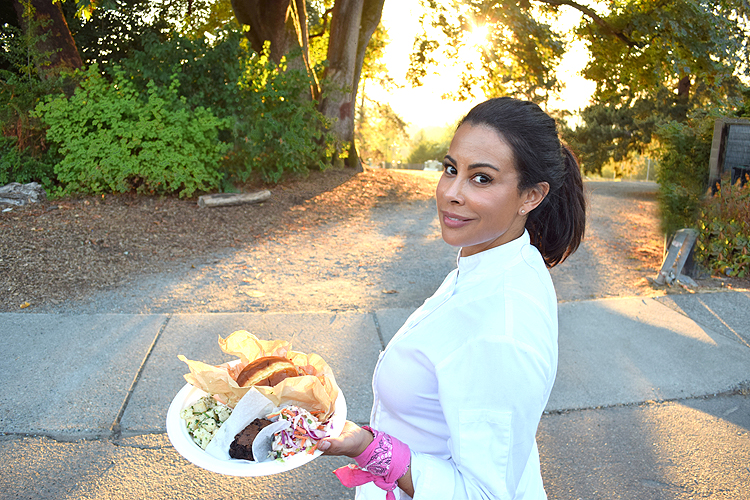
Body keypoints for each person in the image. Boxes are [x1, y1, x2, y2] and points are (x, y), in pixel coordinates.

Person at [317, 96, 586, 500]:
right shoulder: (498, 262)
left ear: (531, 196)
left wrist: (370, 449)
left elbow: (484, 495)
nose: (451, 193)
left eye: (482, 178)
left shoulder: (501, 328)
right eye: (450, 169)